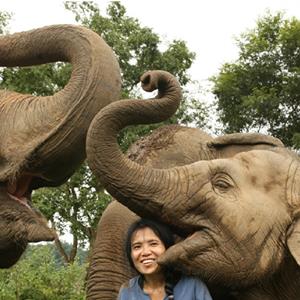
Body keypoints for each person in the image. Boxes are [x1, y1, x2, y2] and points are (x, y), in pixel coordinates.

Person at [118, 218, 212, 300]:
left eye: (153, 244)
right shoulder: (127, 291)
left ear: (168, 248)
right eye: (137, 247)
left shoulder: (193, 286)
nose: (145, 252)